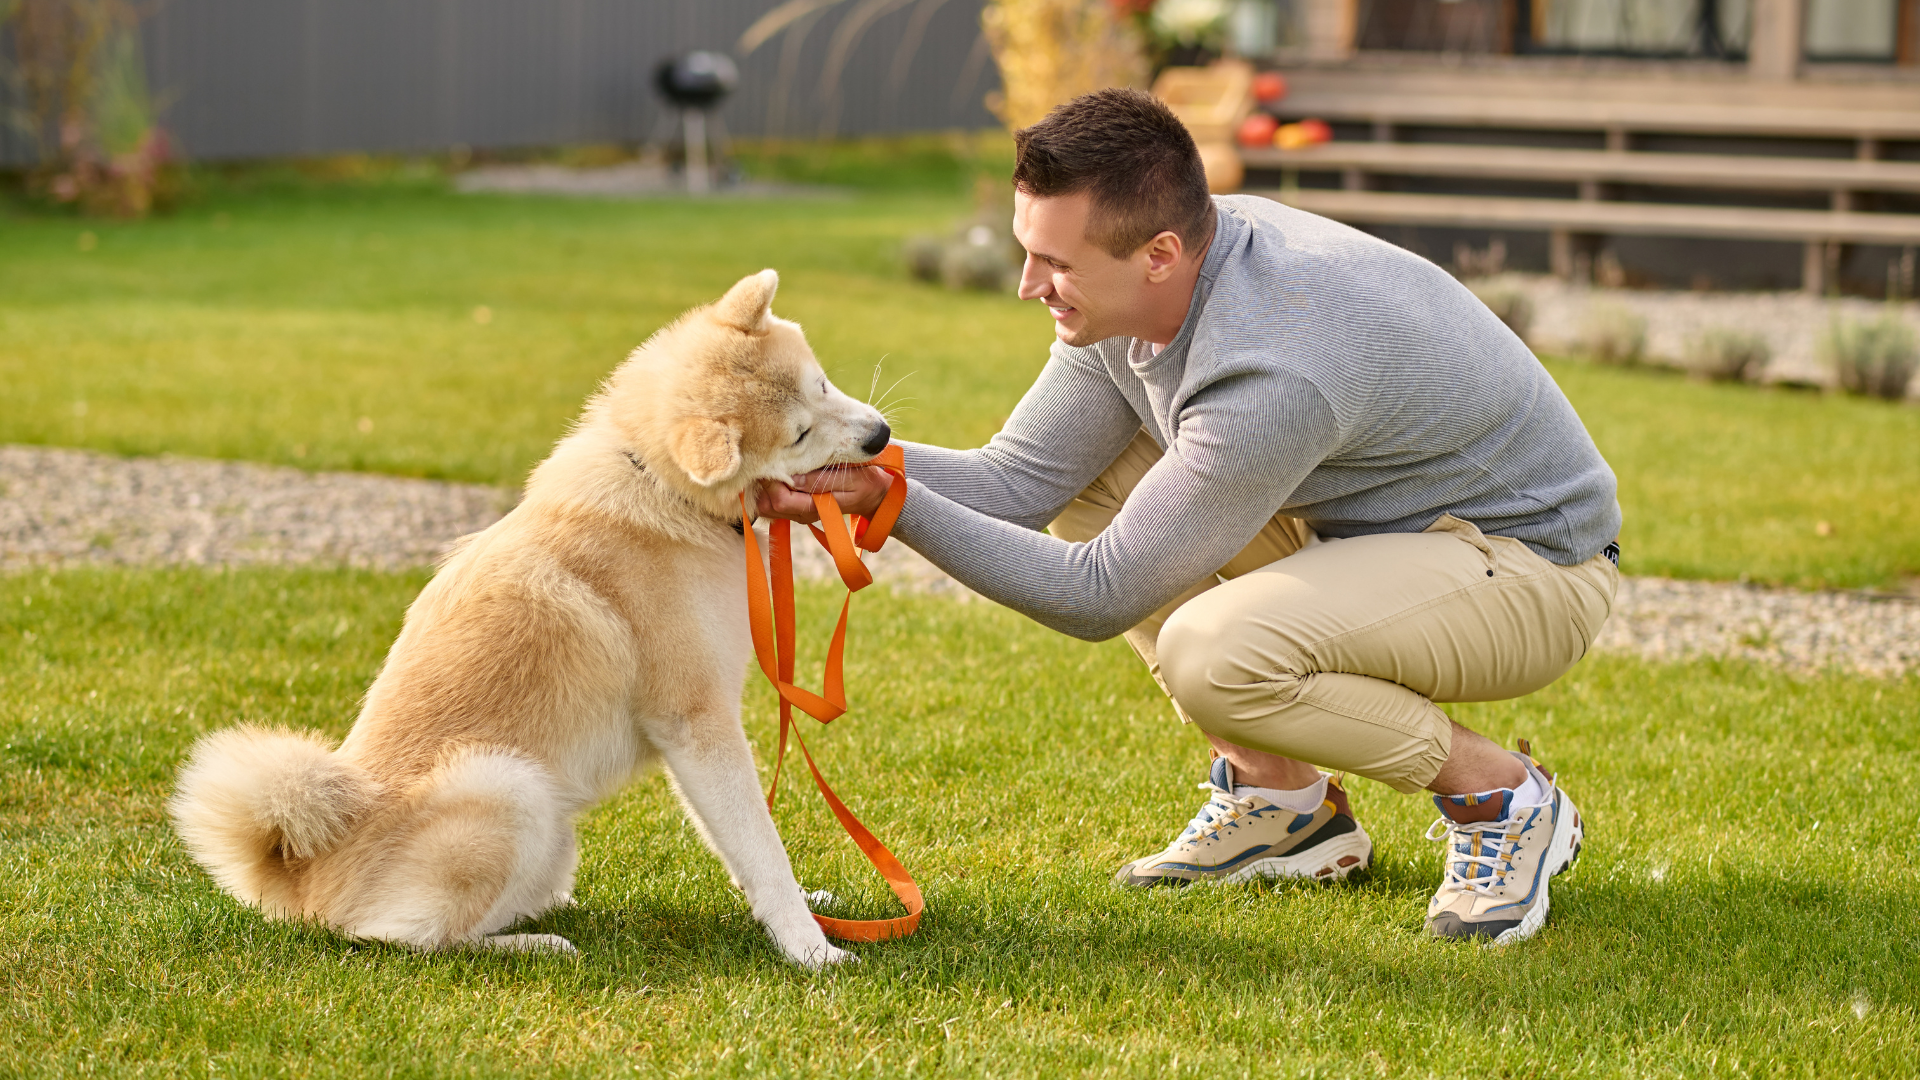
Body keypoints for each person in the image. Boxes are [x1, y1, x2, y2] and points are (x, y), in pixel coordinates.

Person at [757, 88, 1621, 943]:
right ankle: (1284, 806)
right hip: (1381, 537)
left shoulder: (1272, 370)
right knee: (1102, 478)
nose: (1029, 286)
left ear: (1160, 252)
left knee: (1219, 655)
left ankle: (1504, 797)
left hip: (1528, 570)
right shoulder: (1144, 292)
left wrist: (890, 502)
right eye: (1030, 251)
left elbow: (1096, 594)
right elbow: (1016, 481)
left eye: (1056, 263)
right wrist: (814, 460)